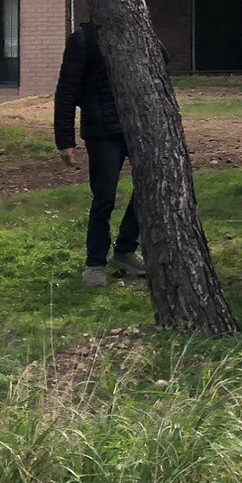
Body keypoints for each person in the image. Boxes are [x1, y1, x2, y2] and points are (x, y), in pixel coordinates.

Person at [53, 21, 144, 289]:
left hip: (137, 128)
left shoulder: (136, 29)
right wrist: (65, 140)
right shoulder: (84, 39)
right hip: (102, 130)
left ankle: (125, 249)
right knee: (104, 197)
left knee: (149, 189)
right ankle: (95, 262)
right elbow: (66, 91)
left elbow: (161, 58)